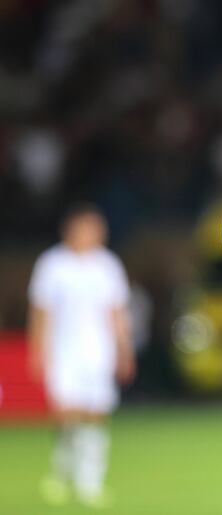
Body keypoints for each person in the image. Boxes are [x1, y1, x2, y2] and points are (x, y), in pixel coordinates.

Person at [28, 204, 134, 509]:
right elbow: (41, 312)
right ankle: (62, 472)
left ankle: (91, 481)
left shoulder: (108, 266)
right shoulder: (52, 264)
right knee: (65, 413)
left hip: (98, 351)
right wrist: (37, 350)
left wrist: (124, 350)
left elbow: (116, 312)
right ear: (71, 230)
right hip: (63, 351)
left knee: (95, 413)